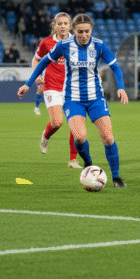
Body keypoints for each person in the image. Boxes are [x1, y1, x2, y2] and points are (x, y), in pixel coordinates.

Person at [18, 13, 129, 187]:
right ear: (74, 30)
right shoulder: (64, 45)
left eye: (87, 31)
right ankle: (88, 162)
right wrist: (28, 84)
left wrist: (121, 87)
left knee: (108, 137)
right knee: (80, 137)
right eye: (80, 32)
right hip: (73, 99)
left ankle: (116, 177)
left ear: (91, 30)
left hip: (96, 98)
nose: (84, 35)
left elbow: (115, 66)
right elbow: (43, 62)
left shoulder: (99, 45)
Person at [32, 12, 82, 168]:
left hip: (71, 88)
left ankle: (73, 159)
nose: (63, 26)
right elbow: (36, 59)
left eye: (65, 23)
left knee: (75, 124)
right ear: (54, 25)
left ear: (70, 26)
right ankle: (46, 136)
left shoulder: (77, 42)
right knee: (57, 122)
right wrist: (37, 75)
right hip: (52, 86)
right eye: (59, 23)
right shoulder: (46, 43)